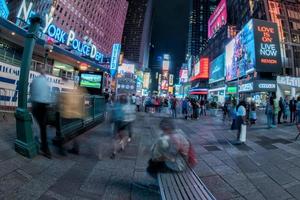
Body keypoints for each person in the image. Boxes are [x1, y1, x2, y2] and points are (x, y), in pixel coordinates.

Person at [30, 68, 52, 158]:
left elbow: (31, 91)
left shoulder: (35, 80)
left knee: (36, 123)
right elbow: (48, 95)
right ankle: (45, 149)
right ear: (45, 73)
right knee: (43, 126)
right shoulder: (46, 82)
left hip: (36, 104)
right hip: (44, 106)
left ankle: (37, 139)